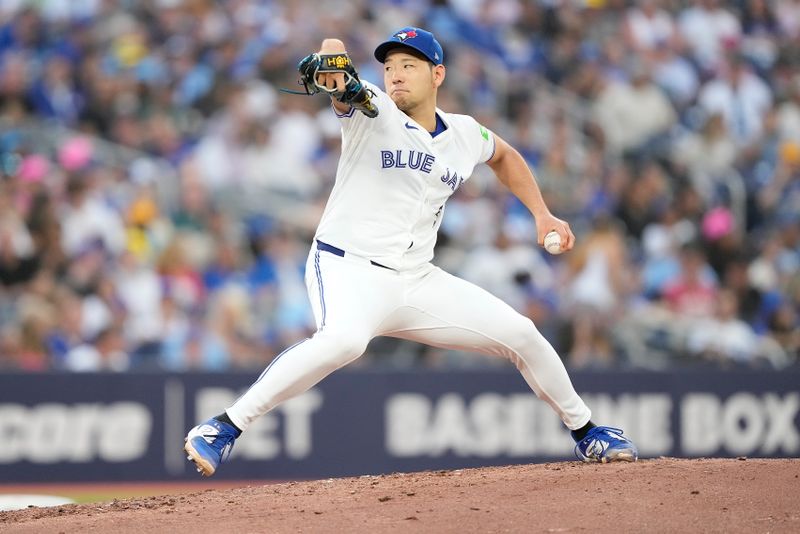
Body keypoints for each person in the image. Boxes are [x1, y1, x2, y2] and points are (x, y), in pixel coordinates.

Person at [184, 27, 638, 476]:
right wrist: (333, 67)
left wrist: (541, 213)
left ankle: (587, 432)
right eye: (388, 66)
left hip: (417, 279)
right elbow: (342, 76)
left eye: (408, 65)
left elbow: (504, 156)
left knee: (522, 334)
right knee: (344, 341)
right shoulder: (374, 110)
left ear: (437, 74)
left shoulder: (463, 134)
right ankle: (223, 427)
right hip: (348, 269)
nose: (395, 75)